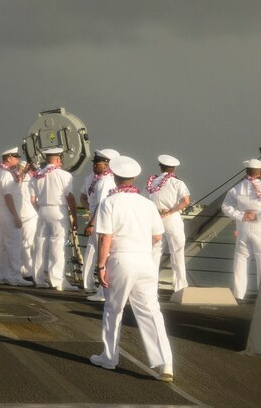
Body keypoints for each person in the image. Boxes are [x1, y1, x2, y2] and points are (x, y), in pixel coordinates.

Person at [90, 155, 173, 382]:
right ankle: (165, 364)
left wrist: (101, 265)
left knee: (114, 309)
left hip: (120, 259)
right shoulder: (147, 203)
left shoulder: (110, 202)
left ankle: (109, 357)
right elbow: (157, 236)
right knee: (151, 311)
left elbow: (105, 237)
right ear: (134, 178)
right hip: (145, 260)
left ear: (115, 177)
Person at [221, 158, 261, 301]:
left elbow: (226, 206)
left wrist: (240, 215)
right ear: (260, 172)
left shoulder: (236, 188)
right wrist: (258, 216)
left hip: (243, 225)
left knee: (241, 259)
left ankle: (239, 294)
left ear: (246, 171)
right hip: (260, 226)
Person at [31, 147, 77, 290]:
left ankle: (38, 280)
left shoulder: (37, 175)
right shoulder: (65, 175)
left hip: (42, 210)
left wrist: (40, 209)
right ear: (58, 159)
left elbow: (32, 199)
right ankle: (57, 281)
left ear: (46, 159)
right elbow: (69, 196)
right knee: (57, 246)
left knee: (39, 245)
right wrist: (74, 217)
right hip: (58, 210)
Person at [146, 154, 191, 292]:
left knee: (155, 251)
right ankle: (179, 285)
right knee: (177, 250)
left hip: (155, 219)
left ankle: (150, 285)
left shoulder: (152, 182)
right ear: (174, 169)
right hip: (171, 218)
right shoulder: (178, 183)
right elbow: (186, 202)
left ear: (160, 167)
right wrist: (171, 211)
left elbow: (145, 200)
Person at [81, 148, 118, 301]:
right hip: (100, 220)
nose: (94, 165)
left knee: (103, 256)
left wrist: (91, 223)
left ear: (107, 164)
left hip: (100, 222)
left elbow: (101, 205)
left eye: (98, 163)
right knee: (102, 255)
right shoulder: (101, 180)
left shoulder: (104, 182)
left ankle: (103, 292)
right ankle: (101, 290)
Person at [0, 147, 29, 286]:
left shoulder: (2, 173)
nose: (18, 160)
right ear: (8, 158)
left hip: (1, 212)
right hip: (8, 213)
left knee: (3, 245)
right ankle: (14, 276)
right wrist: (15, 216)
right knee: (14, 244)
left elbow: (17, 180)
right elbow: (8, 196)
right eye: (15, 157)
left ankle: (2, 275)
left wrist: (24, 172)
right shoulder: (6, 175)